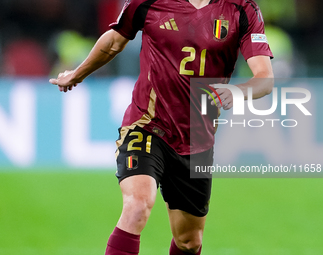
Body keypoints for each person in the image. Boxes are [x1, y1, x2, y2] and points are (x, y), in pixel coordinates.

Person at [49, 0, 274, 254]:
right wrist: (77, 74)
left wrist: (239, 90)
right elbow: (115, 41)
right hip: (147, 124)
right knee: (138, 205)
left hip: (196, 140)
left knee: (189, 241)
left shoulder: (241, 9)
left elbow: (264, 78)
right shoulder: (149, 2)